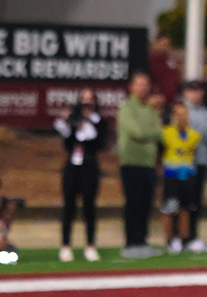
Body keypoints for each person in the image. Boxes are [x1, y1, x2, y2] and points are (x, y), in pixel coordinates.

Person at [53, 88, 109, 262]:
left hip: (90, 165)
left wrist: (86, 124)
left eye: (89, 99)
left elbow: (99, 141)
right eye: (83, 99)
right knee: (69, 206)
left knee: (89, 206)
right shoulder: (72, 119)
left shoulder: (99, 121)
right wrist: (69, 121)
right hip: (72, 165)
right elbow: (65, 135)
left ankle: (90, 245)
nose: (86, 103)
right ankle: (66, 245)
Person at [117, 71, 164, 258]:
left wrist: (151, 131)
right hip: (131, 162)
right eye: (139, 84)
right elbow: (137, 132)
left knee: (146, 204)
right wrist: (152, 131)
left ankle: (142, 241)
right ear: (132, 87)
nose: (143, 88)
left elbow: (160, 133)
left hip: (149, 163)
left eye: (145, 85)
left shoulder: (151, 109)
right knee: (133, 204)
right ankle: (131, 243)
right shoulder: (127, 108)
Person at [180, 81, 207, 253]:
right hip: (181, 162)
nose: (195, 95)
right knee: (181, 202)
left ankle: (193, 237)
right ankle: (178, 238)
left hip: (201, 161)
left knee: (196, 202)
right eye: (191, 91)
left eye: (198, 92)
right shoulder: (180, 110)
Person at [159, 102, 201, 253]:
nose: (182, 118)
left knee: (186, 208)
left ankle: (184, 239)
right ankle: (170, 240)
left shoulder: (194, 134)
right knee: (169, 208)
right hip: (171, 176)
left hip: (187, 175)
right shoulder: (166, 133)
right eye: (179, 115)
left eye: (184, 114)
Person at [148, 33, 180, 106]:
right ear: (155, 44)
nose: (165, 47)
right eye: (162, 44)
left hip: (170, 102)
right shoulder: (150, 60)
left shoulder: (171, 61)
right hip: (155, 101)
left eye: (167, 45)